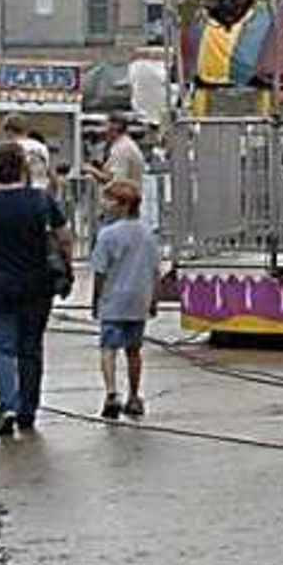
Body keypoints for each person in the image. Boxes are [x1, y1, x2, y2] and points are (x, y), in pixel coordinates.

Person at [0, 142, 71, 438]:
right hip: (36, 283)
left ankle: (7, 403)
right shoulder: (41, 200)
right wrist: (67, 267)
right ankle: (28, 409)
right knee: (30, 348)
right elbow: (64, 237)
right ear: (24, 167)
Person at [92, 175, 161, 421]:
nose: (104, 206)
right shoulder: (149, 234)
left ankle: (111, 393)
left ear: (122, 204)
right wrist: (154, 300)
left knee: (108, 348)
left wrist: (96, 299)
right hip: (139, 299)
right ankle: (134, 396)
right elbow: (155, 271)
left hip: (113, 300)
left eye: (108, 201)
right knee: (134, 350)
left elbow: (100, 272)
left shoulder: (107, 235)